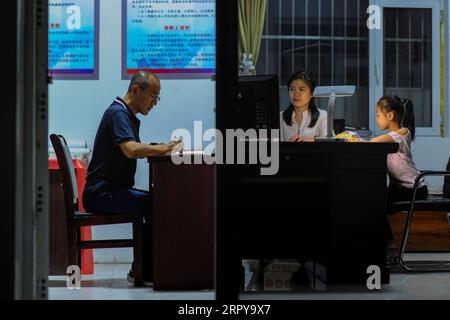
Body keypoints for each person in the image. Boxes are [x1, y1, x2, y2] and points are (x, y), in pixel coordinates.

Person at [82, 70, 182, 284]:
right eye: (153, 96)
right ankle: (145, 270)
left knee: (152, 202)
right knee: (152, 204)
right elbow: (130, 149)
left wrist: (160, 148)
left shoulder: (124, 114)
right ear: (136, 90)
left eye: (157, 98)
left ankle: (145, 268)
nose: (154, 103)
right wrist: (164, 148)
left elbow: (134, 147)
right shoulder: (118, 113)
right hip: (101, 192)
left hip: (109, 190)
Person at [369, 95, 428, 261]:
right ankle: (383, 247)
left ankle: (389, 250)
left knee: (372, 205)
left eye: (377, 114)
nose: (376, 119)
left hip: (414, 189)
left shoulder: (402, 132)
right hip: (400, 188)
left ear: (390, 116)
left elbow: (373, 141)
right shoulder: (392, 135)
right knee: (370, 203)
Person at [280, 70, 328, 142]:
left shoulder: (322, 115)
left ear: (312, 93)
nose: (296, 94)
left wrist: (306, 140)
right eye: (292, 89)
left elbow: (330, 141)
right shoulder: (280, 117)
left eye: (301, 89)